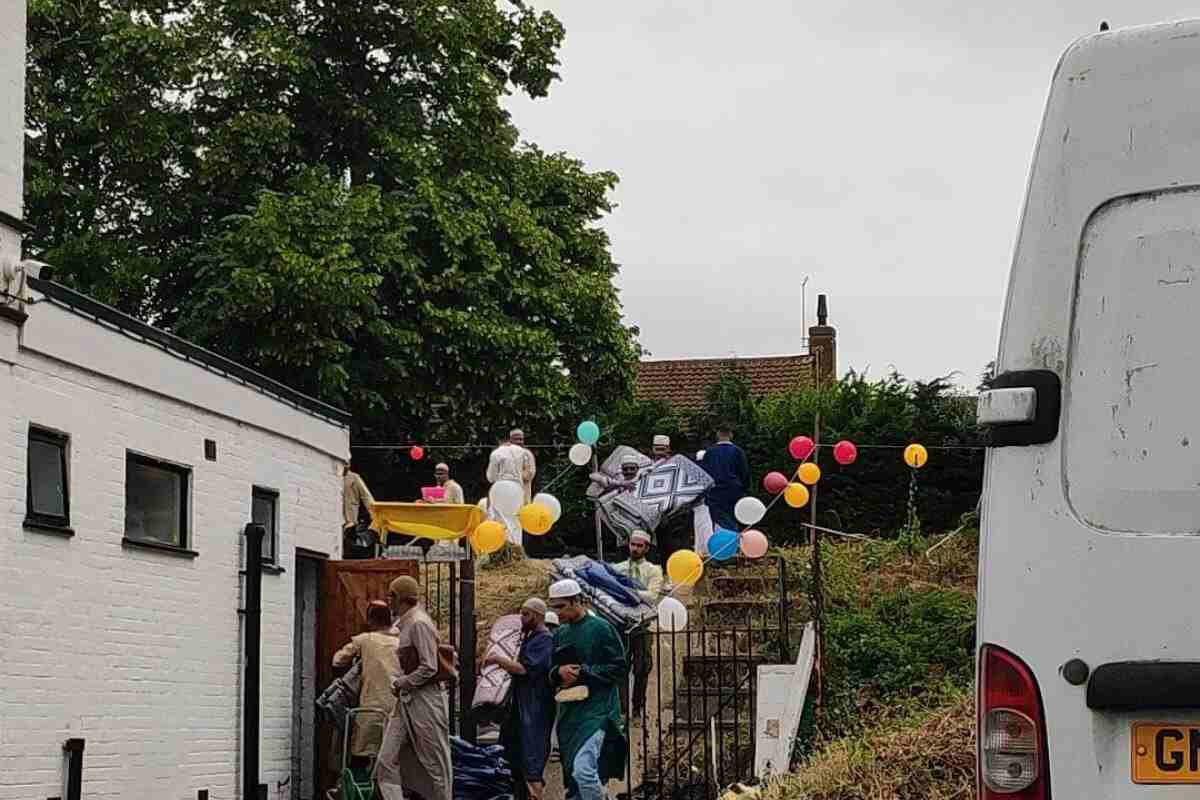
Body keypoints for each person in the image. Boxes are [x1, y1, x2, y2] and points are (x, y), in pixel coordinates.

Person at [548, 579, 627, 800]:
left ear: (576, 601)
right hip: (569, 713)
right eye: (553, 606)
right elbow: (550, 671)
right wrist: (559, 672)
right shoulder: (560, 633)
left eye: (560, 606)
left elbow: (619, 667)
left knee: (583, 771)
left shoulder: (601, 628)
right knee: (575, 778)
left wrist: (585, 672)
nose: (556, 612)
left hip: (598, 711)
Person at [376, 576, 453, 800]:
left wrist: (402, 682)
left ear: (401, 597)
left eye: (391, 595)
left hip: (425, 699)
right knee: (385, 759)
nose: (388, 600)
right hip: (407, 699)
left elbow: (429, 666)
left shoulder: (419, 623)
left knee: (436, 763)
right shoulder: (407, 623)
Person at [488, 598, 555, 800]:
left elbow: (524, 668)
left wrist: (497, 660)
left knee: (531, 755)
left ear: (537, 615)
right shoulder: (530, 636)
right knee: (514, 755)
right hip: (522, 704)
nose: (522, 618)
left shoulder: (544, 639)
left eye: (526, 614)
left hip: (535, 705)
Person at [331, 601, 398, 773]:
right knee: (393, 757)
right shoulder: (402, 642)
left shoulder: (365, 640)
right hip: (397, 709)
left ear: (371, 620)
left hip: (370, 708)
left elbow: (337, 660)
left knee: (360, 754)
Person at [611, 531, 662, 720]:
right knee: (620, 667)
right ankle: (623, 709)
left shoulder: (653, 570)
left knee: (642, 668)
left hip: (642, 624)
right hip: (621, 624)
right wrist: (638, 593)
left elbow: (653, 595)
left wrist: (628, 591)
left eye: (640, 545)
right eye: (633, 544)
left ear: (647, 548)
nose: (635, 548)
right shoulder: (617, 568)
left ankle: (638, 707)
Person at [700, 424, 751, 534]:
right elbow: (744, 473)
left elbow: (703, 475)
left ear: (717, 434)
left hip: (715, 492)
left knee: (719, 521)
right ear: (731, 435)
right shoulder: (738, 452)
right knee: (733, 519)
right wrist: (744, 489)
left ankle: (724, 544)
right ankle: (733, 541)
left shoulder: (710, 452)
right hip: (734, 491)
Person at [343, 460, 377, 559]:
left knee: (349, 544)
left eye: (348, 462)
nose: (346, 465)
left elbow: (367, 497)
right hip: (334, 518)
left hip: (349, 519)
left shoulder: (354, 478)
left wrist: (375, 515)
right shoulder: (331, 475)